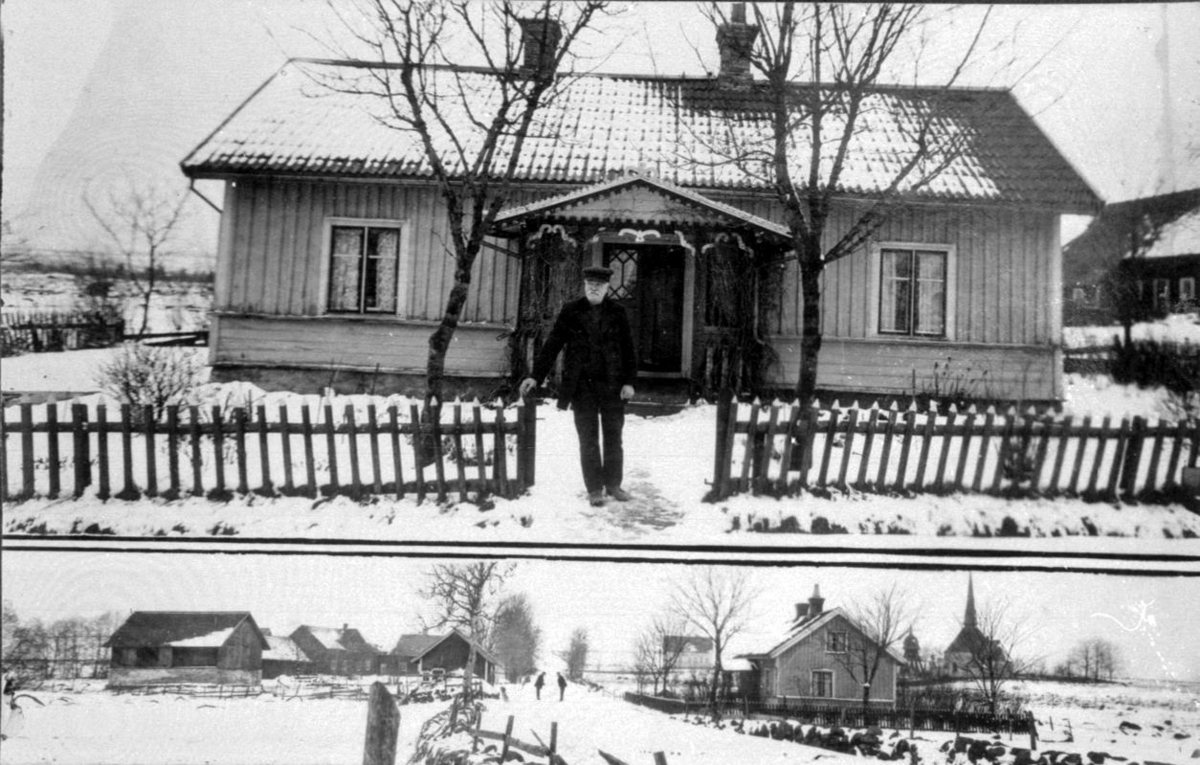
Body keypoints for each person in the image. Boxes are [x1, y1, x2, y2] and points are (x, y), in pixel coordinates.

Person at [519, 265, 637, 507]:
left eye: (599, 285)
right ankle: (594, 489)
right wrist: (535, 376)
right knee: (588, 438)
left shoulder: (618, 312)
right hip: (582, 386)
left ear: (607, 287)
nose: (594, 288)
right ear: (584, 286)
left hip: (613, 385)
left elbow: (628, 348)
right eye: (590, 284)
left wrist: (629, 382)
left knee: (614, 437)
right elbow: (553, 344)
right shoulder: (571, 311)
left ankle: (613, 484)